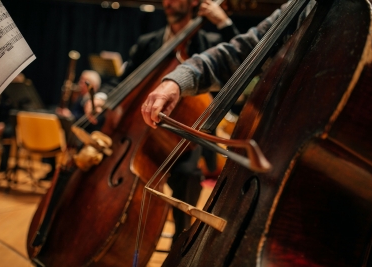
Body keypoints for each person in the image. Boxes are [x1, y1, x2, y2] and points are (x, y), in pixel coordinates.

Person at [84, 0, 240, 243]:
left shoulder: (207, 43)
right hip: (135, 130)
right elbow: (124, 80)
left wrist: (223, 22)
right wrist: (102, 96)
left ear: (193, 3)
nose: (168, 2)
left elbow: (241, 60)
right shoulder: (148, 42)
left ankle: (180, 240)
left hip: (180, 136)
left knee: (187, 176)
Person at [141, 1, 316, 128]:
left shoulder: (208, 40)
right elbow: (242, 53)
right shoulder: (302, 7)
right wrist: (176, 81)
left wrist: (224, 24)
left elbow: (238, 62)